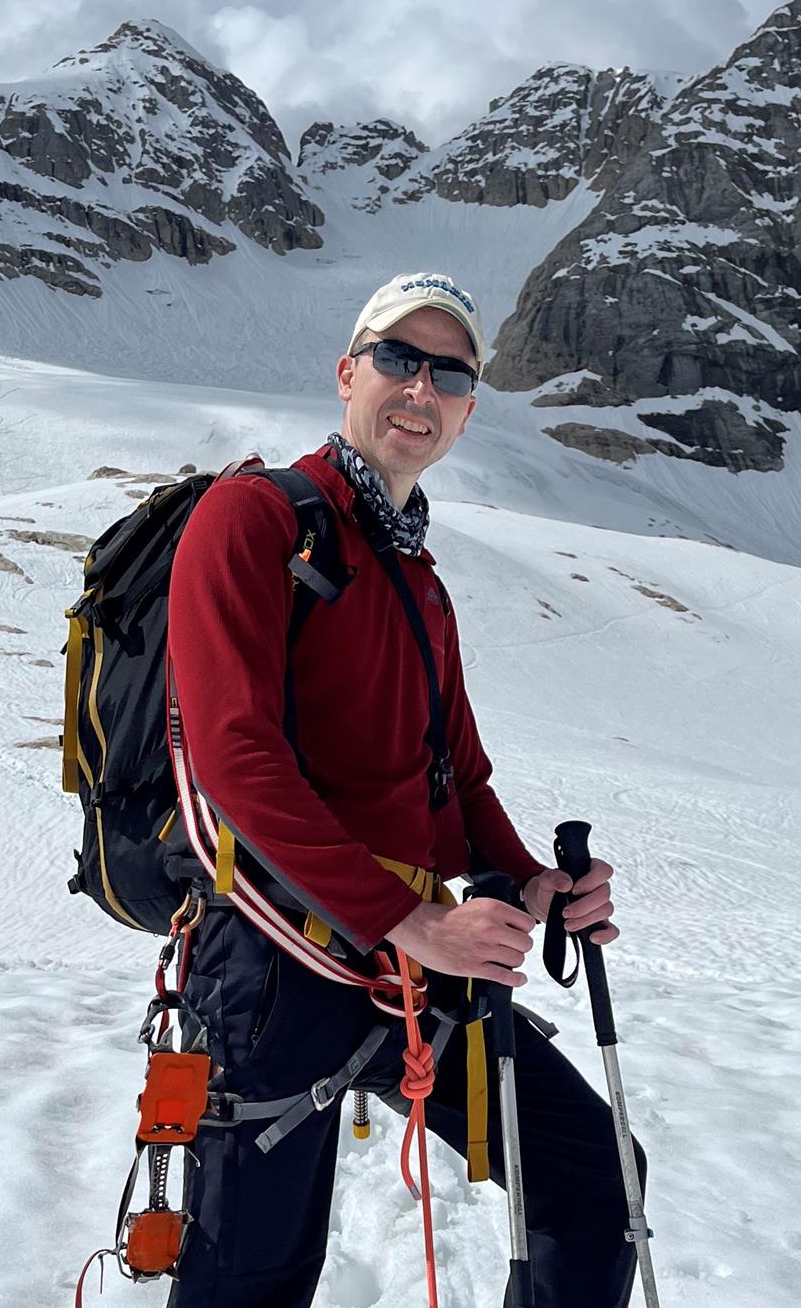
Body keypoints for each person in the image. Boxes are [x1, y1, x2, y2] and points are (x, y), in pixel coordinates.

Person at [164, 273, 646, 1307]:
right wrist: (413, 920)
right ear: (348, 374)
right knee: (251, 1278)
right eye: (398, 358)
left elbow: (457, 779)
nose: (422, 388)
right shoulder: (251, 519)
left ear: (466, 412)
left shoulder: (419, 578)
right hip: (274, 966)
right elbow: (234, 758)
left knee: (594, 1177)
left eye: (451, 374)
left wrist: (530, 883)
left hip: (411, 970)